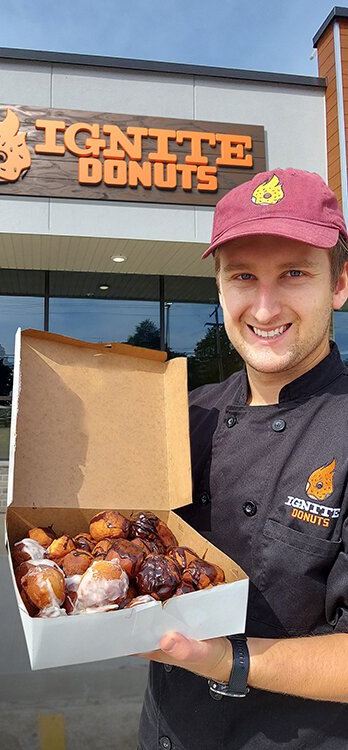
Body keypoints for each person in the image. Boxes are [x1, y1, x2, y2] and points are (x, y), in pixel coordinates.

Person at [138, 168, 348, 749]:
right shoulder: (183, 415)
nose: (263, 305)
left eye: (294, 274)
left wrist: (221, 658)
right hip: (164, 734)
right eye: (243, 276)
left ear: (339, 284)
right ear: (220, 288)